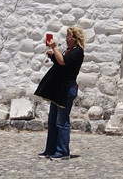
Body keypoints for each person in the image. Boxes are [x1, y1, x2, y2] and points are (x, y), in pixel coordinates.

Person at [35, 26, 85, 160]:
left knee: (62, 122)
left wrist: (55, 48)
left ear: (75, 39)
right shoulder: (68, 51)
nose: (66, 39)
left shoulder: (78, 52)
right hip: (59, 88)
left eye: (69, 37)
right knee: (52, 121)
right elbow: (60, 63)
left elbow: (63, 62)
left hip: (67, 88)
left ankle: (63, 151)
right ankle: (50, 149)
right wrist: (53, 55)